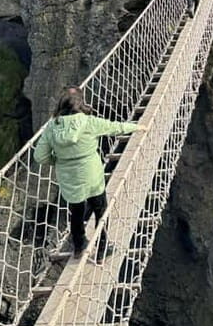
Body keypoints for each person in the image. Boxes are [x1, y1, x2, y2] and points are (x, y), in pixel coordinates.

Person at [34, 87, 137, 259]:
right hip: (93, 177)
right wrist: (138, 127)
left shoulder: (51, 127)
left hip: (70, 182)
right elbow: (116, 127)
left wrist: (59, 161)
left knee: (76, 212)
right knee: (100, 211)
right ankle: (102, 248)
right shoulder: (89, 122)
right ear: (80, 103)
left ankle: (79, 247)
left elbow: (39, 156)